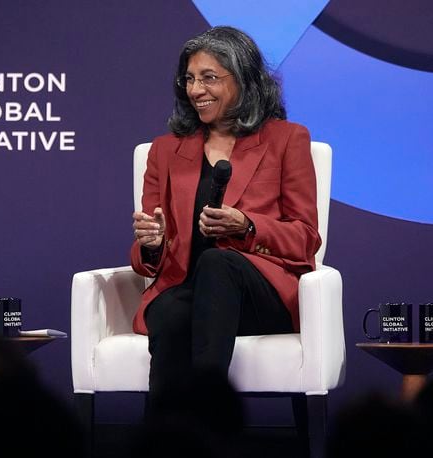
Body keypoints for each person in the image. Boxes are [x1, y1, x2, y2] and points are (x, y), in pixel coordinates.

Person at [130, 26, 321, 401]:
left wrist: (248, 226)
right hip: (187, 288)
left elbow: (306, 239)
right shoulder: (165, 151)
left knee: (219, 265)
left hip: (261, 295)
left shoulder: (287, 139)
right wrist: (152, 243)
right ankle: (167, 436)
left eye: (209, 78)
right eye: (189, 79)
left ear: (245, 80)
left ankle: (207, 420)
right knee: (168, 314)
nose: (196, 90)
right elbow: (146, 257)